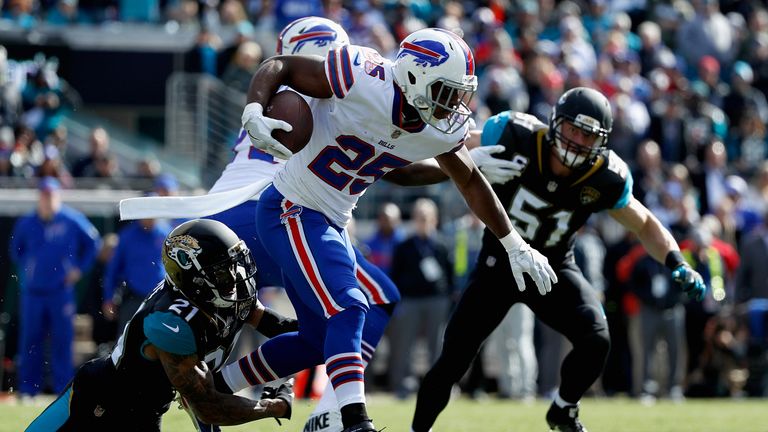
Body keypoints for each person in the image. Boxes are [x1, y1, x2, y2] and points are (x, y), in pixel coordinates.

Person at [231, 26, 556, 432]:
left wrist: (514, 244)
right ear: (416, 75)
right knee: (351, 306)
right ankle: (353, 421)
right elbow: (278, 65)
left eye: (460, 92)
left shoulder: (435, 123)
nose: (455, 103)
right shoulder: (362, 75)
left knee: (316, 341)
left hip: (330, 218)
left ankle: (216, 387)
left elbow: (465, 180)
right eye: (447, 90)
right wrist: (253, 111)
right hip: (291, 207)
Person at [410, 87, 708, 432]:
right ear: (555, 123)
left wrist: (676, 261)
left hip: (551, 269)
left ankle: (563, 408)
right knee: (452, 360)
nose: (578, 141)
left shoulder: (605, 175)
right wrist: (469, 164)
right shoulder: (513, 134)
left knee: (596, 337)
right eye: (573, 130)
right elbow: (443, 155)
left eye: (588, 135)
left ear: (603, 142)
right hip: (499, 263)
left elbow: (643, 222)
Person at [26, 219, 295, 431]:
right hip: (100, 405)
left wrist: (327, 329)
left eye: (237, 266)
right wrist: (275, 407)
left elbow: (271, 322)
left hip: (146, 414)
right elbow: (207, 408)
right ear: (195, 278)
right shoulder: (171, 321)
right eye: (224, 271)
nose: (236, 279)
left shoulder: (223, 296)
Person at [10, 176, 100, 400]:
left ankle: (63, 390)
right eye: (44, 195)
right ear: (39, 197)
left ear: (58, 196)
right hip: (34, 293)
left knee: (62, 340)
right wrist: (30, 270)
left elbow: (93, 242)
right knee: (30, 340)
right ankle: (28, 390)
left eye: (51, 195)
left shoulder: (71, 219)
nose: (47, 200)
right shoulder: (27, 222)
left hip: (61, 292)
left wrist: (78, 268)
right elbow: (16, 250)